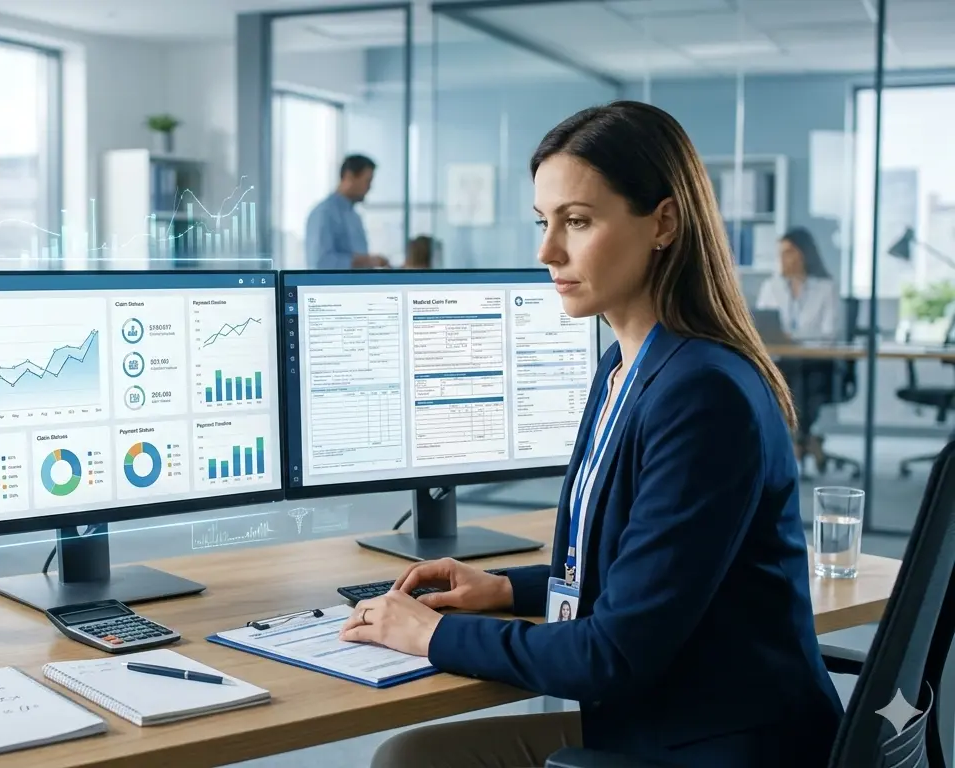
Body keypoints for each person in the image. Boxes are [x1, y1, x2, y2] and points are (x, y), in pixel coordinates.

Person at [344, 102, 842, 768]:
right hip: (658, 722)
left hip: (714, 746)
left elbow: (611, 653)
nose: (547, 250)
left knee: (410, 763)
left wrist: (432, 636)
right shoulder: (624, 366)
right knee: (411, 756)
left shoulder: (703, 393)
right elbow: (634, 571)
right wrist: (503, 588)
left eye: (577, 222)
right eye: (543, 222)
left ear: (663, 222)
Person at [756, 227, 841, 468]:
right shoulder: (770, 286)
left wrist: (793, 337)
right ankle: (804, 439)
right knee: (779, 376)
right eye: (779, 253)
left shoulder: (826, 287)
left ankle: (796, 441)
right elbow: (761, 325)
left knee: (802, 379)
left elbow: (830, 333)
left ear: (803, 254)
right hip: (780, 359)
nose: (782, 259)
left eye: (788, 252)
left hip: (817, 362)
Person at [305, 154, 389, 269]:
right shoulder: (323, 213)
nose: (370, 187)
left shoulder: (354, 216)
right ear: (349, 176)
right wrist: (367, 261)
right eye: (367, 181)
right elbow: (320, 262)